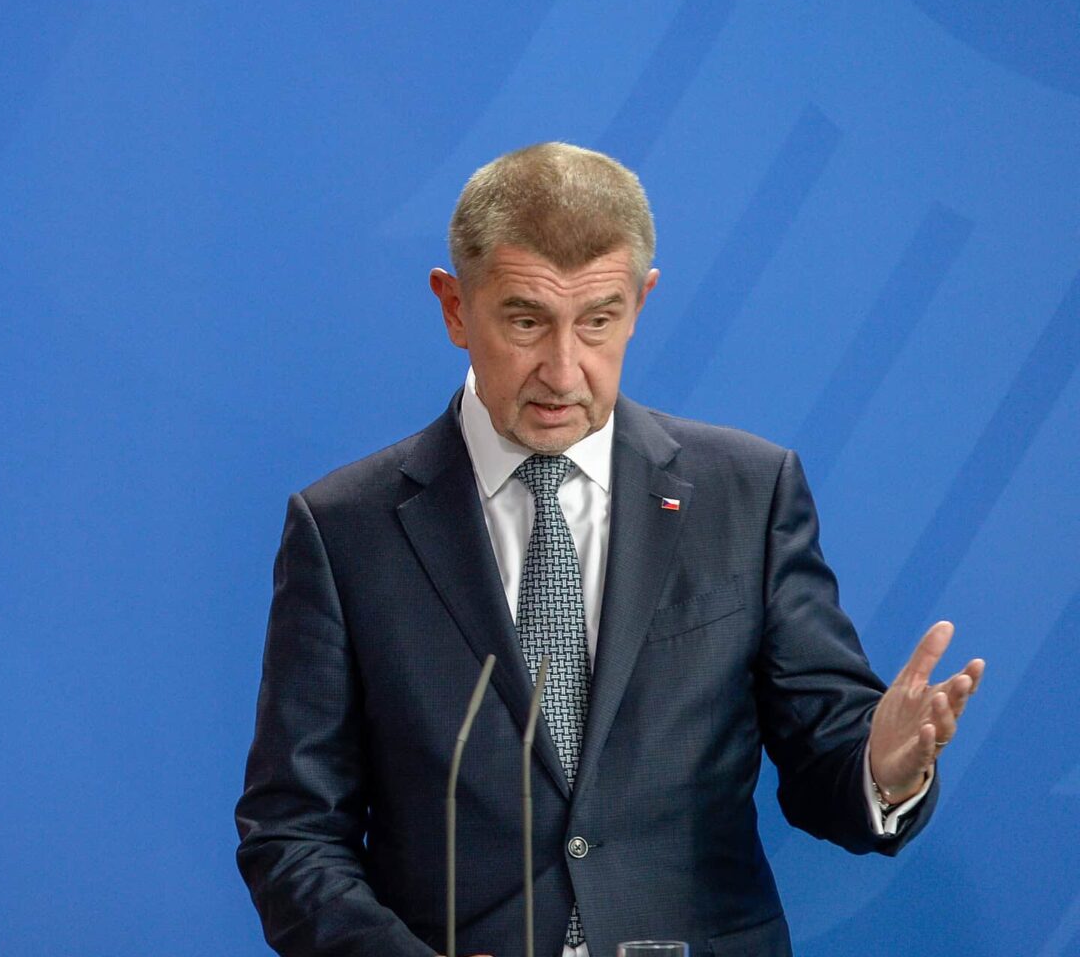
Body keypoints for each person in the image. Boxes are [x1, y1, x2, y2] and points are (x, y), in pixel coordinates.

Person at [232, 143, 983, 957]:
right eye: (526, 320)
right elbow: (292, 832)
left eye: (598, 321)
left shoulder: (749, 493)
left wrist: (884, 764)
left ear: (640, 302)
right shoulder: (345, 528)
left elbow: (824, 757)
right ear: (454, 307)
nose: (563, 370)